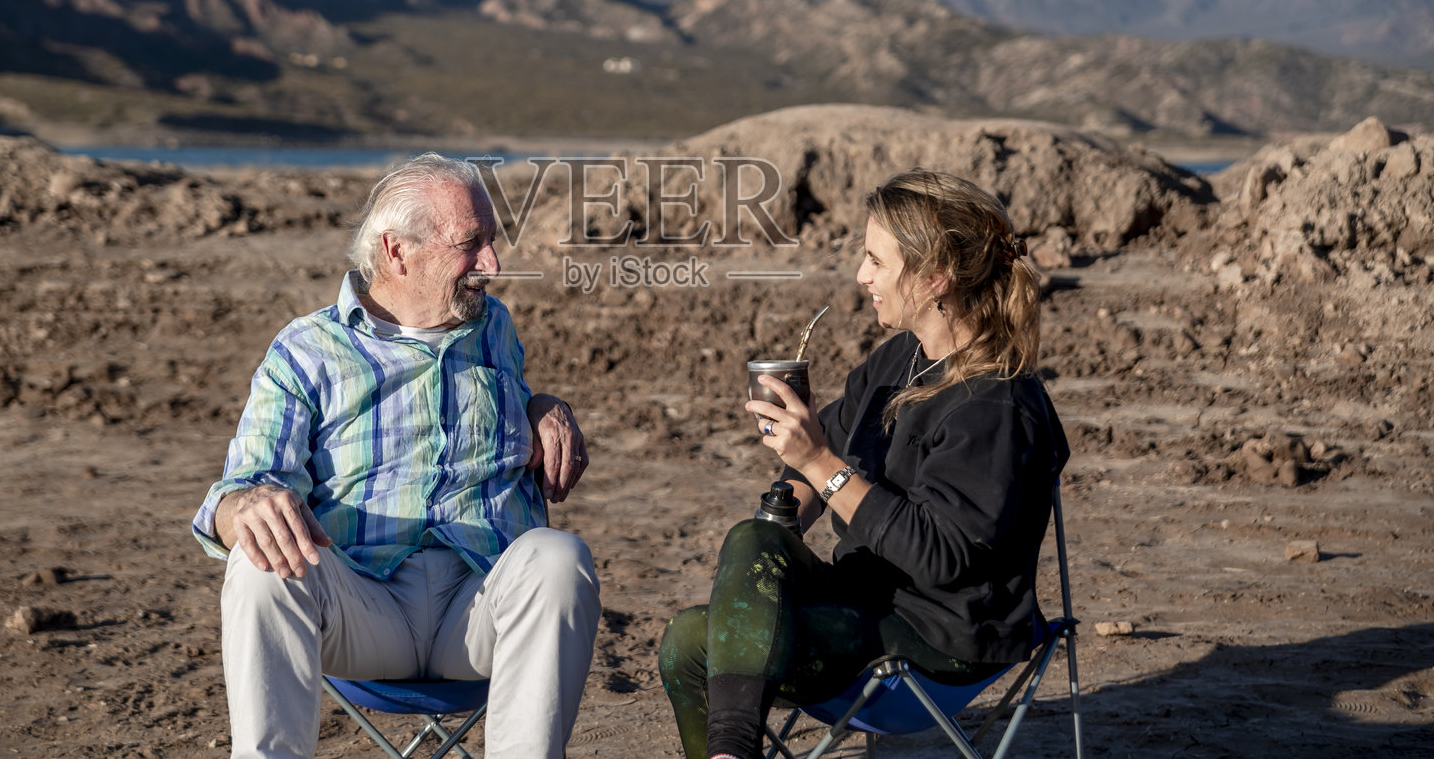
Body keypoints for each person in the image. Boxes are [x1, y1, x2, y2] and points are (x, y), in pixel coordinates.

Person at [192, 153, 601, 759]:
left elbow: (506, 403)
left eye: (491, 241)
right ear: (397, 251)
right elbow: (242, 488)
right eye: (471, 244)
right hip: (363, 608)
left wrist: (541, 402)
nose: (492, 263)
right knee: (261, 560)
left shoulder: (494, 329)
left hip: (482, 603)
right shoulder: (307, 350)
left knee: (559, 556)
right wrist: (243, 506)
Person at [658, 169, 1070, 759]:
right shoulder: (900, 358)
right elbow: (822, 458)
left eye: (876, 261)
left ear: (934, 278)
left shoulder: (995, 404)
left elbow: (941, 556)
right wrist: (778, 533)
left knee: (701, 643)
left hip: (941, 637)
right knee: (714, 596)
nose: (861, 277)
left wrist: (821, 463)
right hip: (864, 600)